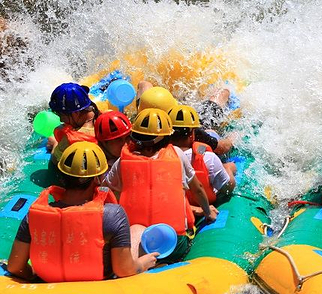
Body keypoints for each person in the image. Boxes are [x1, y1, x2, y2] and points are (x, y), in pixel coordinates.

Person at [7, 142, 157, 282]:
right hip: (101, 283)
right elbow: (124, 270)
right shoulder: (113, 215)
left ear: (62, 177)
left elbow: (14, 266)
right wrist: (143, 263)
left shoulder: (35, 215)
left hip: (48, 282)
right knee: (138, 229)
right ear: (99, 178)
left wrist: (35, 276)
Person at [102, 108, 218, 263]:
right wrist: (207, 211)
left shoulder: (122, 162)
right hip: (174, 244)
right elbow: (197, 189)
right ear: (165, 138)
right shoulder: (177, 153)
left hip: (137, 241)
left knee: (133, 230)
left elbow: (106, 190)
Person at [167, 104, 236, 209]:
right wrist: (228, 168)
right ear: (192, 134)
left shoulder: (159, 157)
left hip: (179, 206)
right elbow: (228, 188)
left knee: (211, 134)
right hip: (205, 202)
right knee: (212, 135)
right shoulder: (208, 157)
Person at [137, 83, 235, 155]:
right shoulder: (188, 131)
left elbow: (143, 84)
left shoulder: (138, 128)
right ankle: (226, 89)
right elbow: (221, 148)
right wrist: (232, 138)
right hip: (187, 120)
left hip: (156, 111)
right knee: (222, 93)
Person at [47, 82, 99, 165]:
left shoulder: (70, 140)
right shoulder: (96, 112)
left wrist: (54, 143)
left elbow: (56, 161)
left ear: (76, 113)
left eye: (61, 115)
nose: (61, 119)